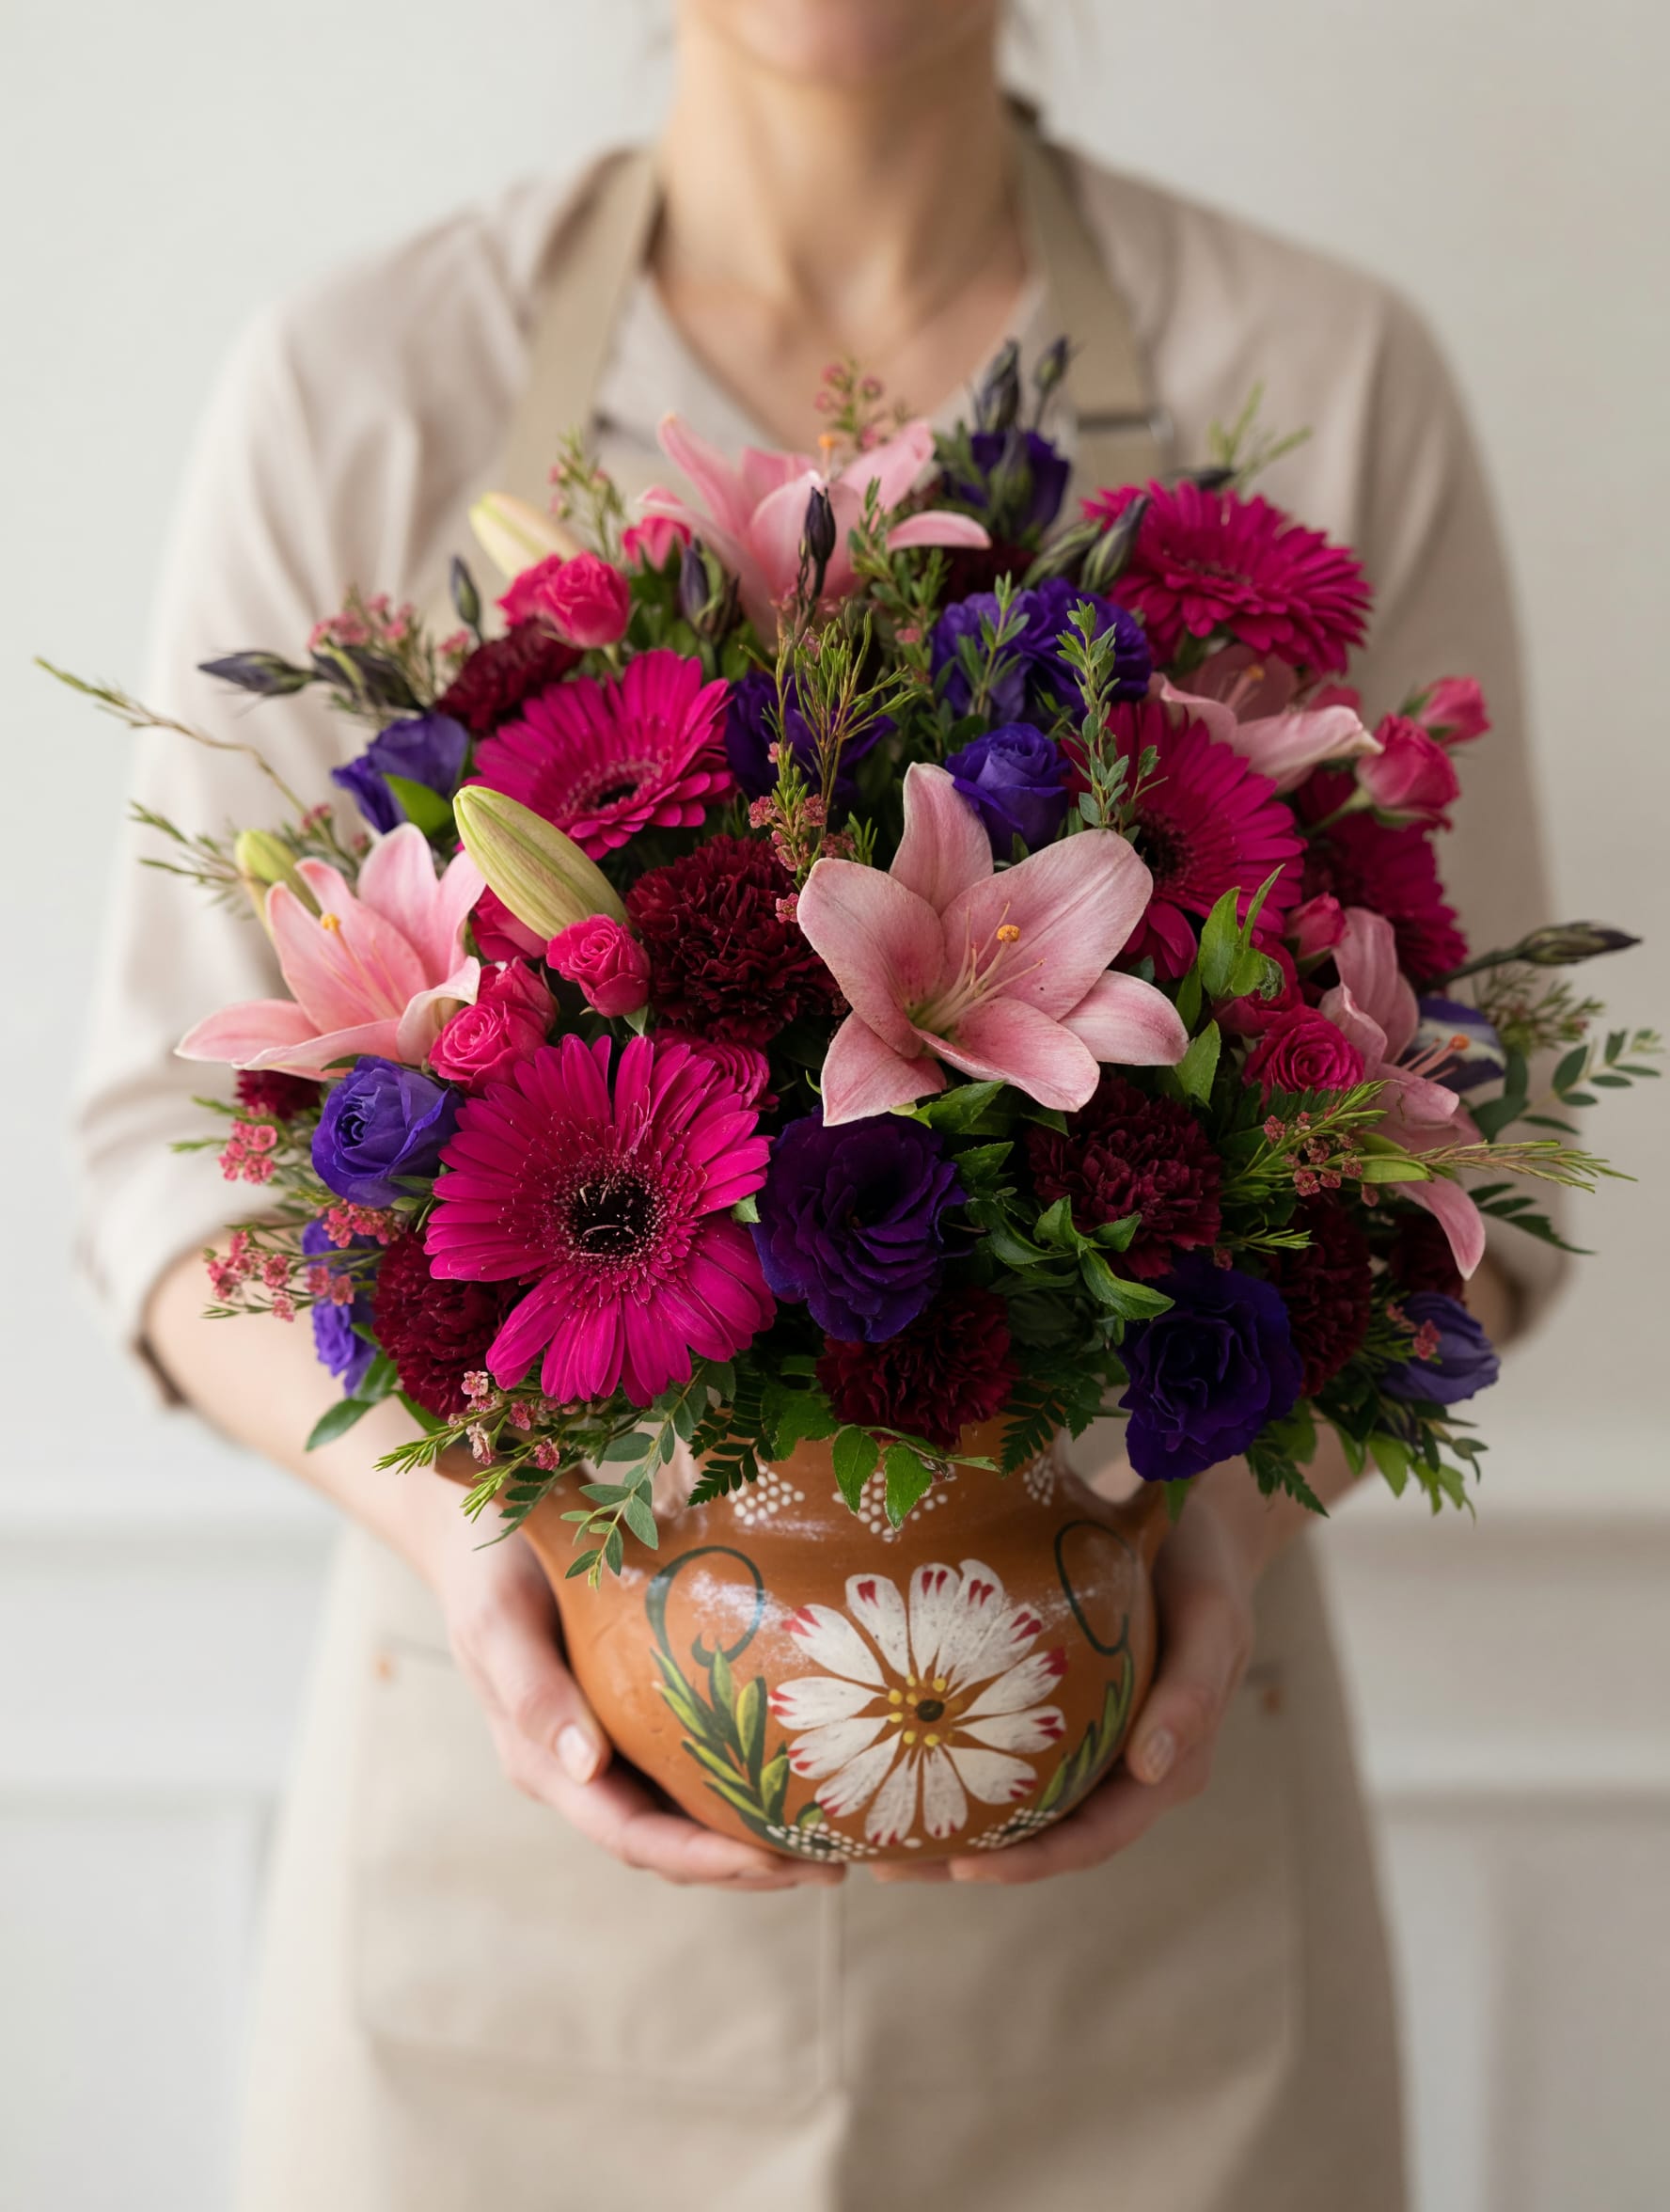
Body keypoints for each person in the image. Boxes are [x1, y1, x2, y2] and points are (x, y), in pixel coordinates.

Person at [74, 4, 1564, 2206]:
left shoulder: (1325, 370)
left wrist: (1222, 1533)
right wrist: (466, 1529)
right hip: (509, 1956)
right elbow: (159, 1167)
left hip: (1157, 1964)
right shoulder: (367, 377)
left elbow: (1484, 1174)